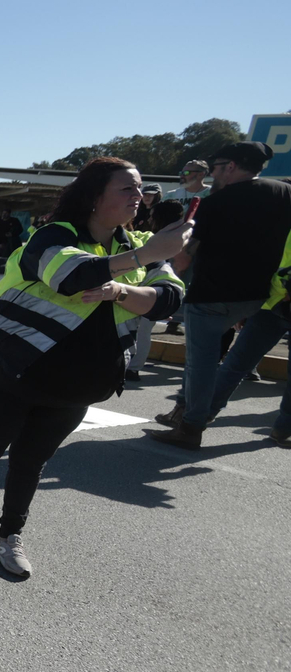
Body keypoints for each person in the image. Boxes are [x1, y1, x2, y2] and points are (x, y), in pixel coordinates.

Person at [0, 157, 189, 578]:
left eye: (140, 190)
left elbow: (169, 299)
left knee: (30, 463)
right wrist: (144, 259)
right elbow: (69, 275)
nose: (140, 197)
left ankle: (6, 538)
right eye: (127, 189)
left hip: (77, 386)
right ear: (95, 197)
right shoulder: (53, 236)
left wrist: (119, 290)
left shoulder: (136, 244)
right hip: (13, 371)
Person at [148, 141, 291, 449]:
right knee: (224, 361)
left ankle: (190, 426)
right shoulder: (283, 193)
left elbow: (184, 258)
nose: (210, 174)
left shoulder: (216, 203)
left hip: (212, 295)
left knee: (201, 362)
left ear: (230, 166)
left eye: (213, 168)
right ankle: (182, 412)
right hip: (257, 297)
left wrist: (174, 256)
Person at [199, 233, 291, 447]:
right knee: (235, 364)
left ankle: (196, 420)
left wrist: (244, 306)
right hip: (271, 305)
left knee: (235, 364)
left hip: (270, 303)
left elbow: (255, 263)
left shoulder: (278, 217)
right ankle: (283, 430)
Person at [126, 199, 187, 381]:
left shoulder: (165, 239)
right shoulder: (177, 235)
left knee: (142, 329)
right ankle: (133, 367)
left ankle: (132, 367)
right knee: (142, 329)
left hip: (155, 288)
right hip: (158, 291)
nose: (149, 220)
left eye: (153, 216)